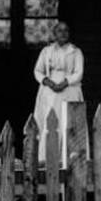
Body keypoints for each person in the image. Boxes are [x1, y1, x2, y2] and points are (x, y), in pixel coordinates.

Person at [32, 20, 86, 165]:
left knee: (69, 122)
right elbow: (38, 70)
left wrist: (64, 83)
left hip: (70, 89)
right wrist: (48, 82)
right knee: (51, 122)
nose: (63, 33)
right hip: (50, 91)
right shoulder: (46, 51)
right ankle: (47, 158)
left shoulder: (75, 51)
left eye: (66, 31)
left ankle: (71, 158)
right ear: (54, 34)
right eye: (59, 31)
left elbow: (79, 73)